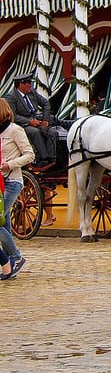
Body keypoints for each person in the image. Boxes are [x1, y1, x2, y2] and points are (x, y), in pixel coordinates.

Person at [0, 98, 35, 261]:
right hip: (0, 183)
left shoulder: (15, 130)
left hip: (12, 181)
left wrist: (10, 164)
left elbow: (29, 154)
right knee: (4, 224)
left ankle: (15, 256)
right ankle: (10, 263)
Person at [5, 73, 56, 168]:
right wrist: (29, 122)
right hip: (23, 124)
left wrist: (45, 120)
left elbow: (45, 103)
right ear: (21, 84)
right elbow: (13, 115)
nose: (30, 85)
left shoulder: (32, 92)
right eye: (28, 83)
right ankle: (43, 159)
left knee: (51, 132)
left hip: (37, 119)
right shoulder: (11, 97)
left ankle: (52, 159)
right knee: (35, 132)